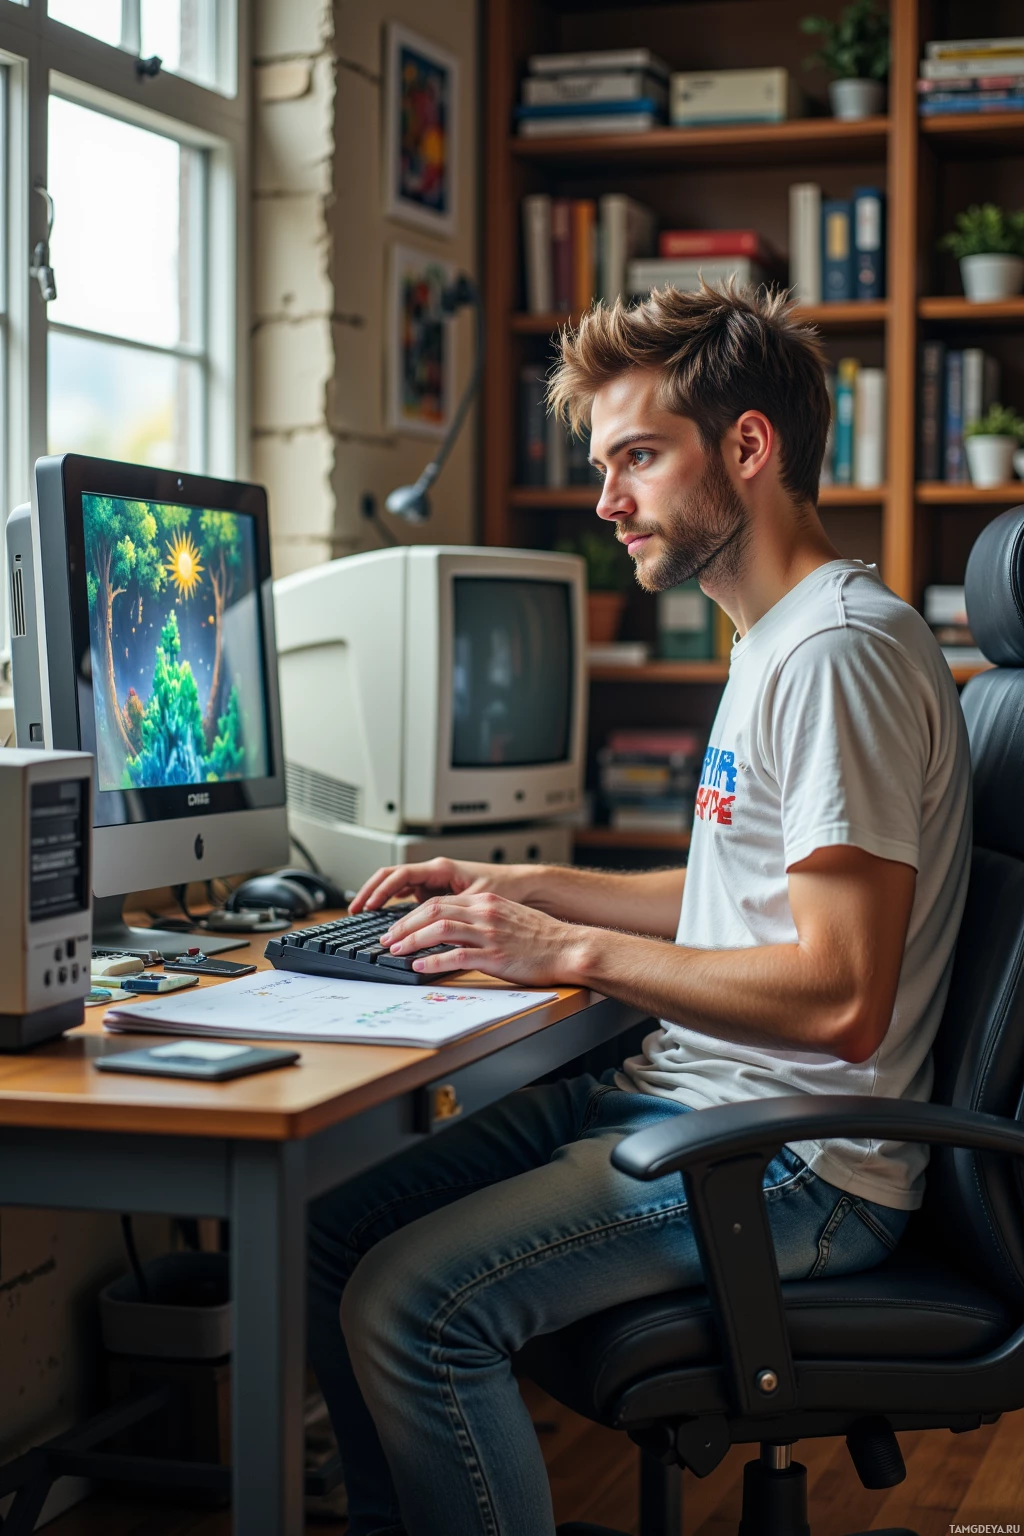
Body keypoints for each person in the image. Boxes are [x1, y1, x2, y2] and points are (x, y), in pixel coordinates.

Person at [307, 282, 972, 1536]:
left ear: (747, 448)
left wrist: (567, 952)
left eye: (637, 459)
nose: (606, 501)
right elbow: (733, 900)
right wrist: (514, 887)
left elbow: (838, 996)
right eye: (603, 463)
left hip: (799, 1164)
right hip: (702, 1104)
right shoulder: (772, 640)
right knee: (335, 1223)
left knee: (413, 1306)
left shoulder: (837, 653)